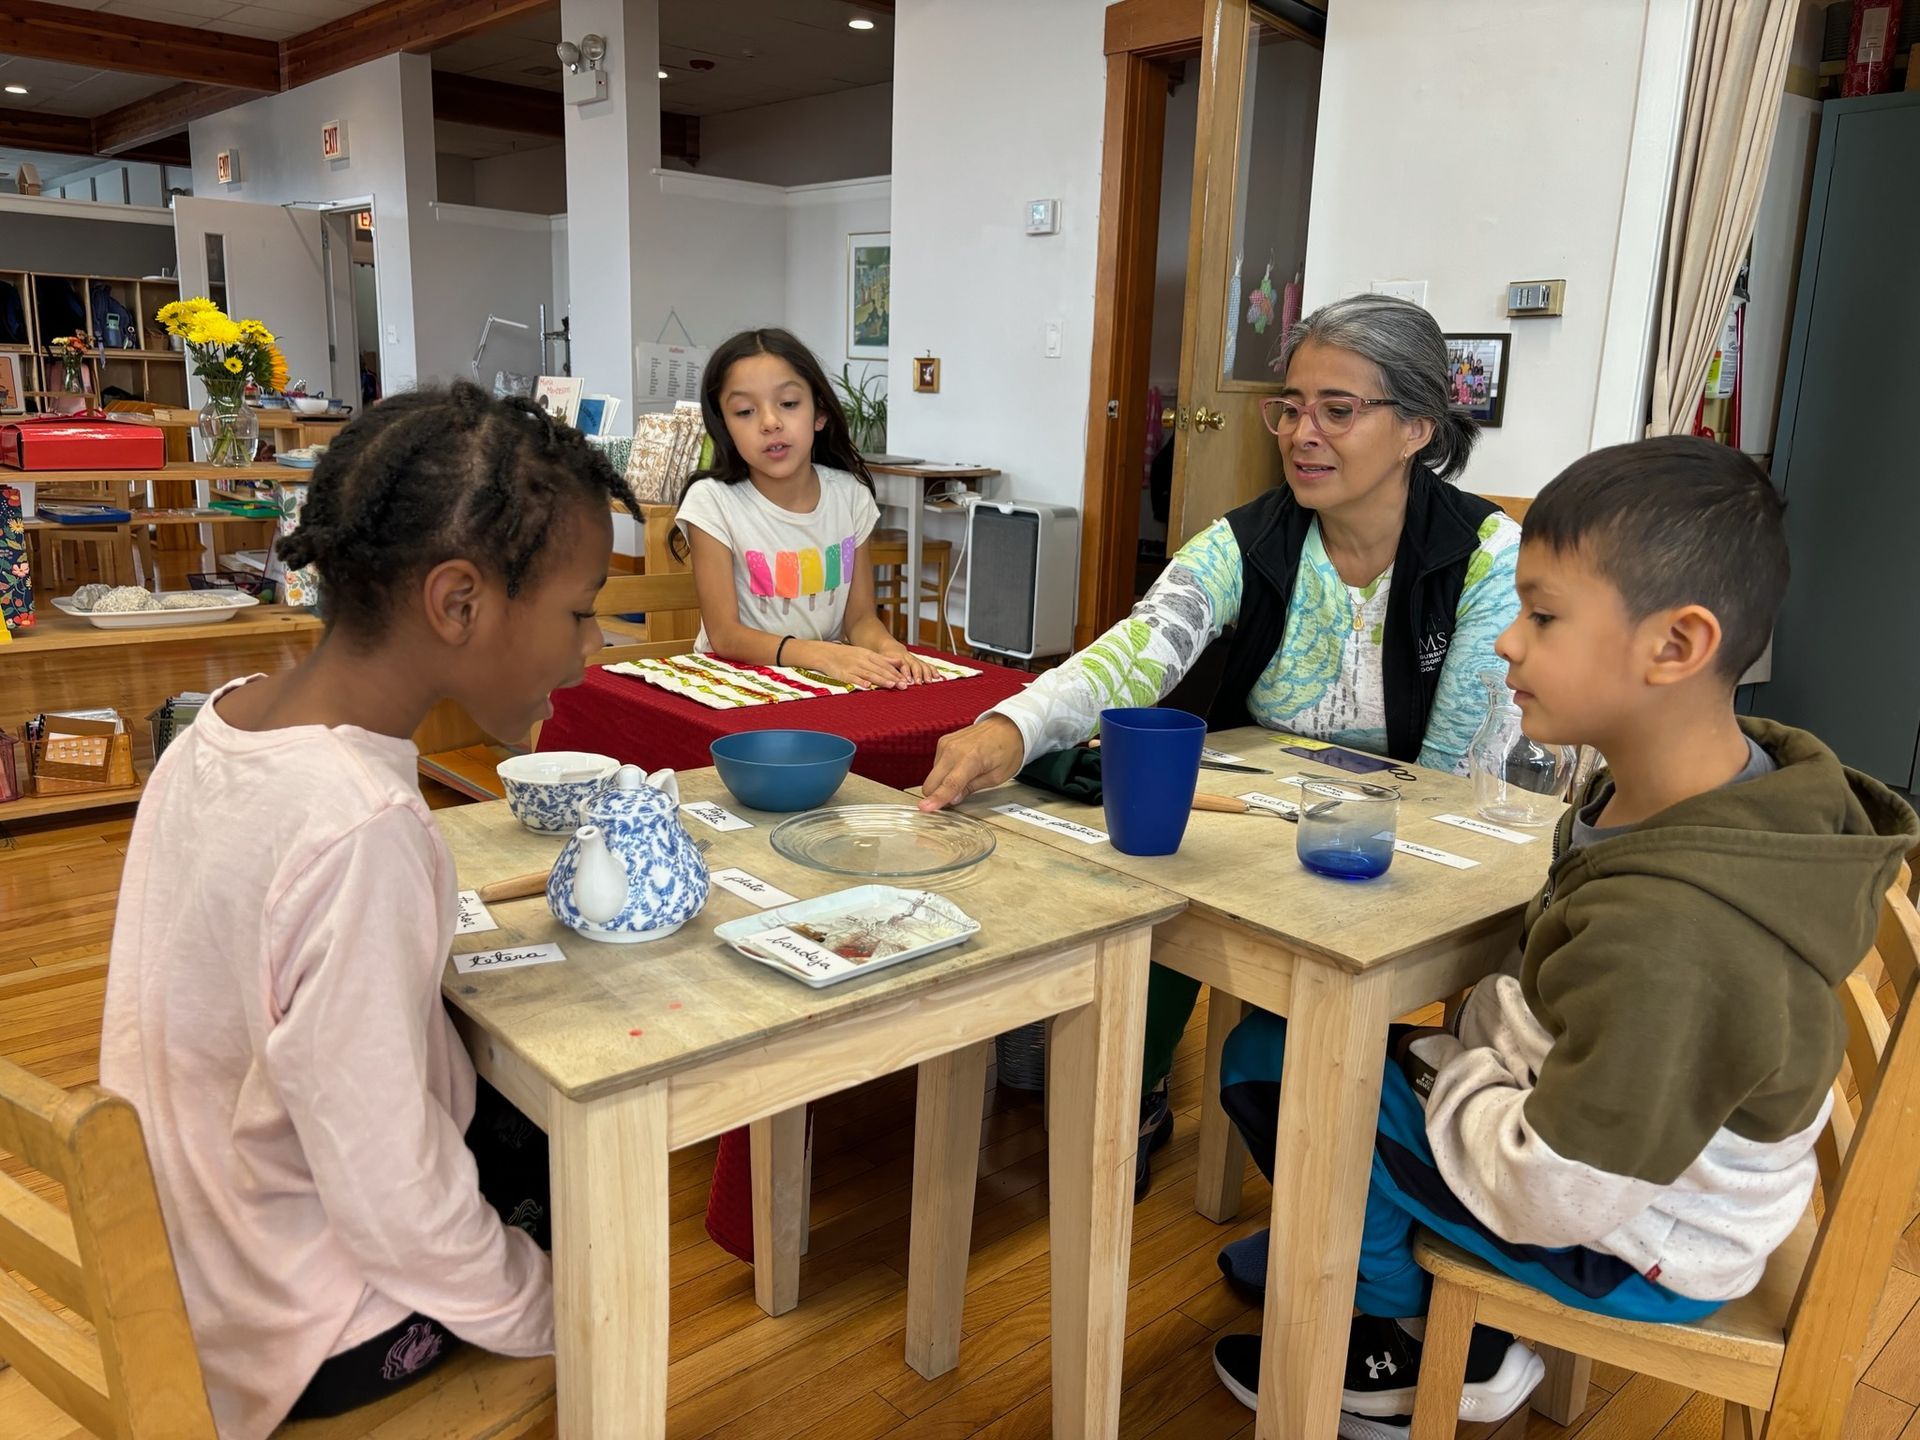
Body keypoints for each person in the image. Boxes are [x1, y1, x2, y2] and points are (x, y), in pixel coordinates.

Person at [1208, 437, 1918, 1436]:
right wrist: (1467, 1059)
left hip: (1630, 1242)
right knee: (1332, 1059)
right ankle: (1371, 1250)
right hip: (1638, 1175)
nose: (1507, 642)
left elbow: (1553, 1193)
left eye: (1541, 616)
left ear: (1675, 646)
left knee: (1284, 1066)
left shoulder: (1680, 933)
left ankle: (1405, 1341)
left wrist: (1457, 1071)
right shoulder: (1712, 794)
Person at [98, 382, 633, 1438]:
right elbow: (393, 1198)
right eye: (580, 612)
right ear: (458, 602)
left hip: (188, 1255)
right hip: (306, 1327)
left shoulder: (217, 726)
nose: (592, 648)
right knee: (584, 1150)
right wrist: (557, 1311)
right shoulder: (362, 826)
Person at [918, 294, 1524, 1198]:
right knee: (1149, 862)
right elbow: (1138, 648)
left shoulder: (1485, 556)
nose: (1302, 434)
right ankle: (1135, 1088)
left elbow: (1454, 775)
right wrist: (1013, 725)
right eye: (1291, 407)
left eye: (1338, 410)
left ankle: (1346, 1175)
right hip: (1252, 817)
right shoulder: (1250, 540)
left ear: (1416, 428)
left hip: (1393, 846)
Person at [675, 327, 938, 688]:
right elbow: (726, 635)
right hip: (735, 684)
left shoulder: (850, 496)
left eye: (788, 403)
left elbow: (860, 619)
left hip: (821, 681)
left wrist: (889, 648)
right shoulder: (711, 501)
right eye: (745, 411)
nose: (770, 423)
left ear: (819, 413)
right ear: (724, 428)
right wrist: (823, 654)